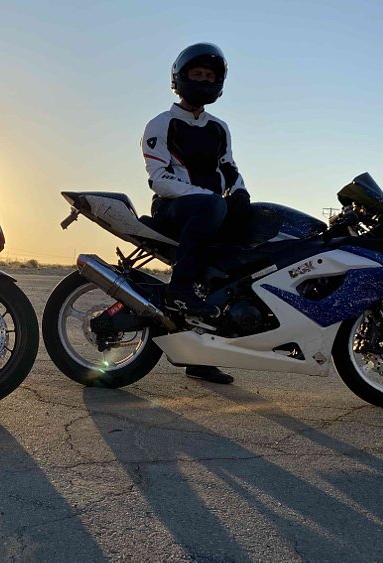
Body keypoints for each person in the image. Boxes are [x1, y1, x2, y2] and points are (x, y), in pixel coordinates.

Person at [140, 42, 250, 384]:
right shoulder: (162, 123)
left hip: (209, 210)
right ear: (180, 78)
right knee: (212, 204)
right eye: (196, 74)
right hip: (173, 209)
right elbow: (160, 179)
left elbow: (229, 168)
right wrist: (210, 198)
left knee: (234, 257)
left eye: (209, 76)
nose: (203, 81)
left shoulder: (219, 127)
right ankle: (180, 288)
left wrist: (242, 193)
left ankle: (203, 354)